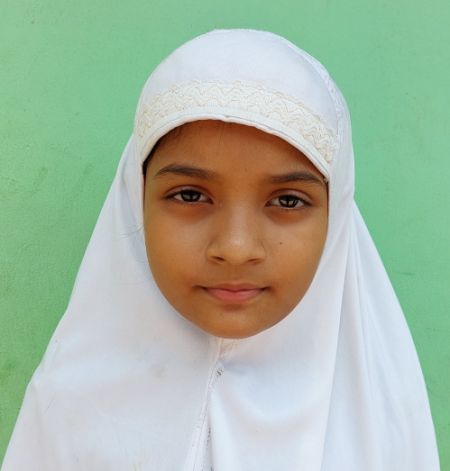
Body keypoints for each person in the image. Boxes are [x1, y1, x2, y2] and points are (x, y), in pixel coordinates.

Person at [1, 29, 439, 470]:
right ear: (135, 200)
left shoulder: (380, 425)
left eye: (288, 201)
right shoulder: (68, 410)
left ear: (335, 216)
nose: (235, 248)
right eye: (190, 195)